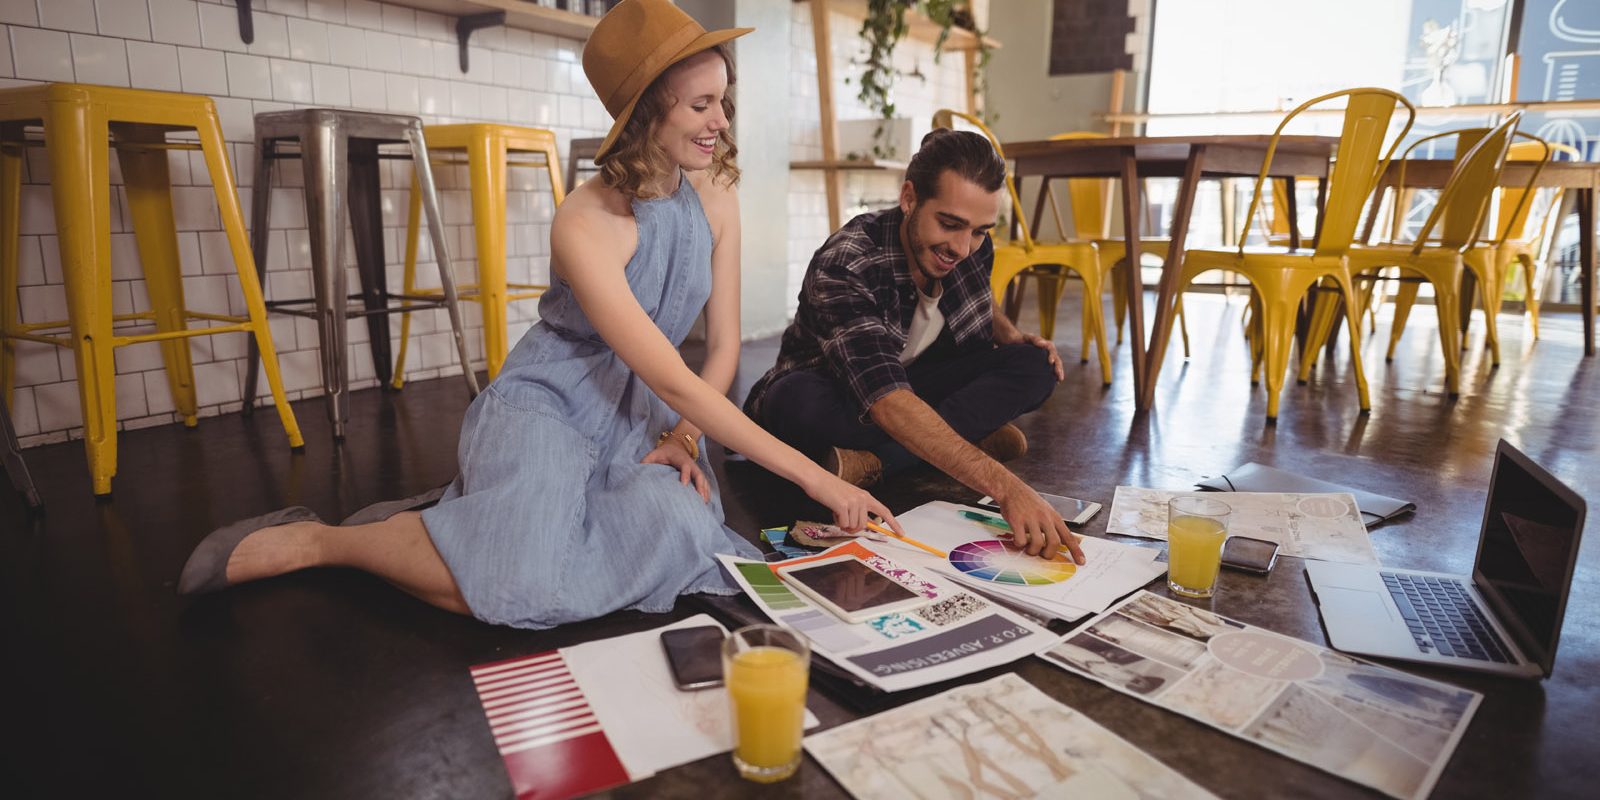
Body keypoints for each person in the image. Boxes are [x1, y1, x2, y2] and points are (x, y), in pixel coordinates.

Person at [177, 0, 902, 630]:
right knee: (519, 580)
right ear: (648, 110)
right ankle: (329, 542)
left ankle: (450, 529)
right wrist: (822, 479)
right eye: (700, 104)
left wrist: (683, 435)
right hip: (550, 402)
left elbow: (715, 357)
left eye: (722, 100)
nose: (721, 122)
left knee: (683, 536)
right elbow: (678, 378)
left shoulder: (716, 198)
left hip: (644, 418)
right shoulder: (583, 222)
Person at [743, 129, 1085, 563]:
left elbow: (981, 295)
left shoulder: (969, 246)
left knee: (1035, 365)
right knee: (800, 405)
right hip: (837, 391)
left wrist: (1013, 337)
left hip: (913, 382)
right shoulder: (848, 261)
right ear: (909, 198)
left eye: (979, 231)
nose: (962, 248)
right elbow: (885, 400)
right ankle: (961, 439)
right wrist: (1005, 486)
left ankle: (875, 462)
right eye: (950, 224)